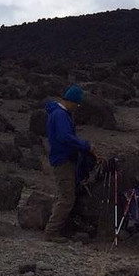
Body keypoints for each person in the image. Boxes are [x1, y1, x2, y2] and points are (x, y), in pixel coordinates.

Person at [43, 84, 95, 242]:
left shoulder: (57, 113)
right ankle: (52, 231)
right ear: (71, 101)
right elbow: (64, 136)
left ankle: (56, 227)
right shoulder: (60, 115)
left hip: (61, 158)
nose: (76, 108)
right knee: (67, 198)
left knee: (62, 194)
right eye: (77, 104)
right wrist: (84, 145)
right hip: (63, 160)